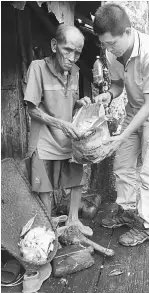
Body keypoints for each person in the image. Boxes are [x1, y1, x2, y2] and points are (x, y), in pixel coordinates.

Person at [93, 3, 149, 246]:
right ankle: (127, 212)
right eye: (105, 44)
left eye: (112, 43)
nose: (109, 49)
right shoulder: (112, 52)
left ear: (128, 32)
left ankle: (147, 225)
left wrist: (122, 134)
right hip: (134, 108)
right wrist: (109, 95)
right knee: (123, 162)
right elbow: (118, 86)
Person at [24, 24, 93, 237]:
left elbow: (67, 103)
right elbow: (32, 109)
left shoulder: (75, 72)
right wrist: (62, 124)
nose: (72, 57)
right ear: (54, 45)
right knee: (43, 185)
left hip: (67, 137)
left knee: (76, 178)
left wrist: (79, 103)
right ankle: (48, 227)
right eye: (68, 50)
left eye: (78, 52)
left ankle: (73, 221)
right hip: (45, 138)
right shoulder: (37, 68)